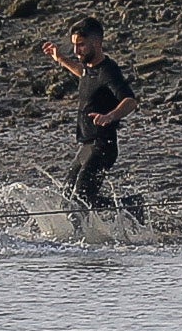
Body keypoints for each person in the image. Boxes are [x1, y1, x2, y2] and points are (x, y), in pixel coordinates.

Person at [45, 17, 134, 206]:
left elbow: (130, 101)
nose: (76, 51)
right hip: (87, 145)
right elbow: (83, 73)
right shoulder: (89, 68)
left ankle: (130, 207)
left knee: (82, 198)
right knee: (67, 197)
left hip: (103, 146)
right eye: (74, 45)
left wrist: (109, 116)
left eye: (81, 45)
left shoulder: (108, 71)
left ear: (97, 43)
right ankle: (125, 207)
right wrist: (60, 59)